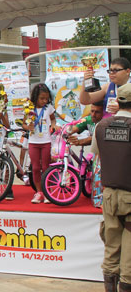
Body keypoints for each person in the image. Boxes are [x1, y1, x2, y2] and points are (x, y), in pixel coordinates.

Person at [90, 83, 131, 292]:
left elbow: (97, 154)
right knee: (129, 257)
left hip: (108, 195)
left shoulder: (101, 126)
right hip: (130, 196)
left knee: (111, 247)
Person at [23, 84, 57, 204]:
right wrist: (28, 126)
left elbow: (53, 119)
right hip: (33, 141)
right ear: (35, 97)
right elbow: (24, 124)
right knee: (36, 168)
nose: (44, 101)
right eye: (42, 98)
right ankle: (39, 192)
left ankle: (48, 191)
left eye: (46, 98)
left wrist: (53, 126)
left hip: (46, 141)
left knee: (46, 167)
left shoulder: (48, 108)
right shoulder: (29, 108)